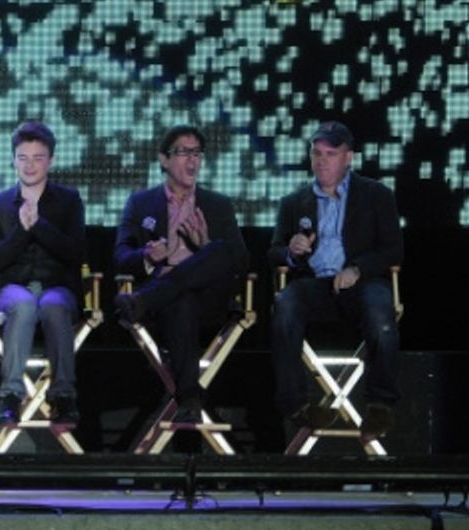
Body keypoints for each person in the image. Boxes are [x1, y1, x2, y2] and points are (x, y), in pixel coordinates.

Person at [267, 121, 403, 440]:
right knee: (284, 305)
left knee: (382, 315)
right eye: (317, 153)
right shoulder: (293, 202)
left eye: (331, 153)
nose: (322, 160)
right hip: (316, 285)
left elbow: (394, 249)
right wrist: (290, 251)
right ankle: (295, 405)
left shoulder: (376, 195)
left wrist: (357, 269)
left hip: (361, 283)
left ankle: (380, 406)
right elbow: (273, 251)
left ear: (348, 157)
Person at [113, 125, 249, 423]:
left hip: (208, 300)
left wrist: (204, 246)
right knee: (181, 298)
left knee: (220, 248)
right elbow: (121, 257)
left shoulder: (218, 204)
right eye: (183, 152)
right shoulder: (140, 203)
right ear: (164, 160)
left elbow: (239, 261)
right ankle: (188, 396)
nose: (192, 161)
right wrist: (146, 256)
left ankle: (143, 299)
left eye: (197, 153)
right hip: (169, 306)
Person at [0, 121, 85, 426]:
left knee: (53, 305)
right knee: (24, 304)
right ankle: (11, 395)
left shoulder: (68, 201)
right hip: (12, 287)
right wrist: (20, 231)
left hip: (57, 286)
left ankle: (64, 396)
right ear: (13, 159)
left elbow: (76, 253)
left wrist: (39, 225)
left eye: (38, 157)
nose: (30, 165)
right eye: (23, 157)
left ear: (50, 160)